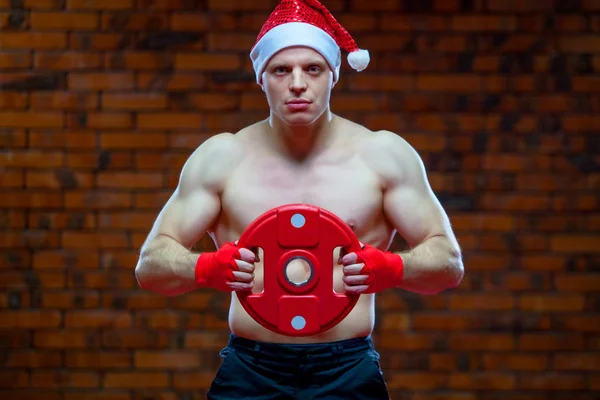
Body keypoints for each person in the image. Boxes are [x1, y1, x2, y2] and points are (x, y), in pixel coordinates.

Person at [134, 0, 464, 398]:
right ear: (261, 78)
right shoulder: (222, 157)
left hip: (347, 368)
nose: (296, 83)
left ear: (333, 75)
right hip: (251, 368)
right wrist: (206, 268)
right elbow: (150, 266)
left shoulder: (382, 155)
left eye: (312, 68)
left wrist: (392, 268)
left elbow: (448, 263)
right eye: (280, 70)